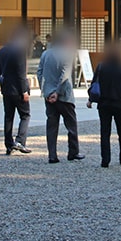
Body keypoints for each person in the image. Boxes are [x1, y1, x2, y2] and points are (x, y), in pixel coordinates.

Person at [38, 29, 83, 163]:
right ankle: (73, 152)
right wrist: (57, 92)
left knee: (52, 125)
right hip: (64, 95)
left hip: (49, 96)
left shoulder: (45, 54)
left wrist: (46, 91)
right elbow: (65, 76)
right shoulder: (67, 54)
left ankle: (52, 155)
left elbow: (39, 73)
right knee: (71, 124)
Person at [89, 41, 121, 168]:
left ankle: (105, 159)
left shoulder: (101, 66)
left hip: (104, 103)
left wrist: (90, 99)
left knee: (105, 132)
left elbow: (94, 84)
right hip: (120, 103)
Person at [0, 27, 32, 155]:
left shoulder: (2, 51)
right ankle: (20, 141)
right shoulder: (19, 51)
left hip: (6, 88)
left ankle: (8, 144)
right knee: (25, 115)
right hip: (17, 89)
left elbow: (0, 72)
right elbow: (21, 73)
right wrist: (24, 90)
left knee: (8, 117)